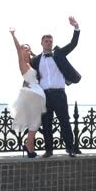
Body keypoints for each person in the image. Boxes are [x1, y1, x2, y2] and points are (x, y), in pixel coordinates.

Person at [31, 16, 82, 158]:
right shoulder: (35, 60)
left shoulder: (58, 53)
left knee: (64, 121)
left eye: (50, 41)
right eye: (46, 41)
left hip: (59, 94)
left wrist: (76, 27)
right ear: (41, 42)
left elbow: (73, 44)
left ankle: (70, 148)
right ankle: (49, 150)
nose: (48, 42)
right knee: (46, 123)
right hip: (44, 95)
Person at [9, 27, 46, 158]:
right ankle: (29, 146)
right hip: (31, 94)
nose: (26, 49)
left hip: (35, 92)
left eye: (28, 48)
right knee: (35, 121)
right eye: (24, 48)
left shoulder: (31, 63)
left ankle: (29, 146)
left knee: (35, 121)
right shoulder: (22, 63)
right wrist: (13, 35)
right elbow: (17, 50)